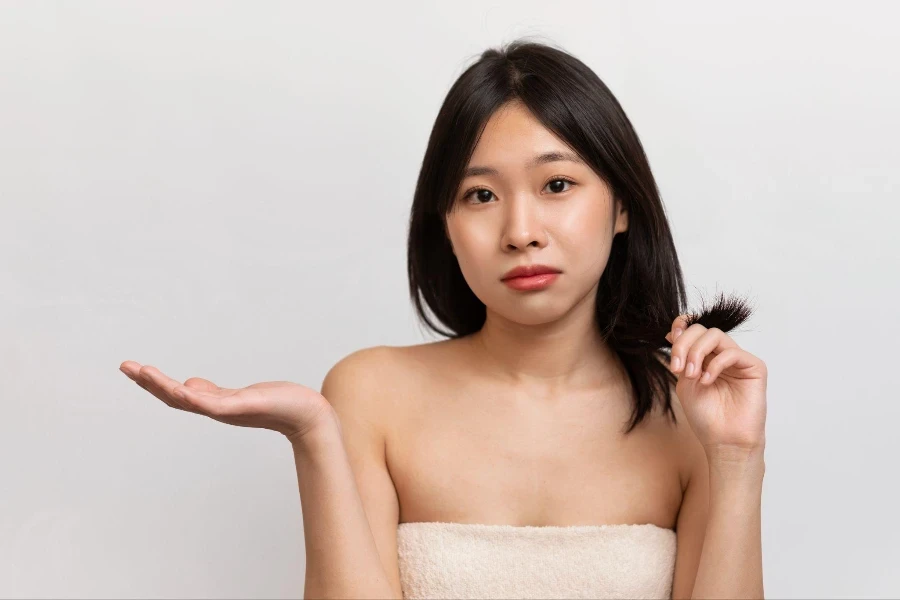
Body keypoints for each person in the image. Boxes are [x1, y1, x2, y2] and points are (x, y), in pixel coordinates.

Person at [119, 38, 767, 599]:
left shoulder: (689, 409)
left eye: (557, 185)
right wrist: (314, 435)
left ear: (622, 205)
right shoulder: (370, 393)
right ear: (446, 226)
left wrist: (736, 460)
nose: (520, 232)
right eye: (480, 195)